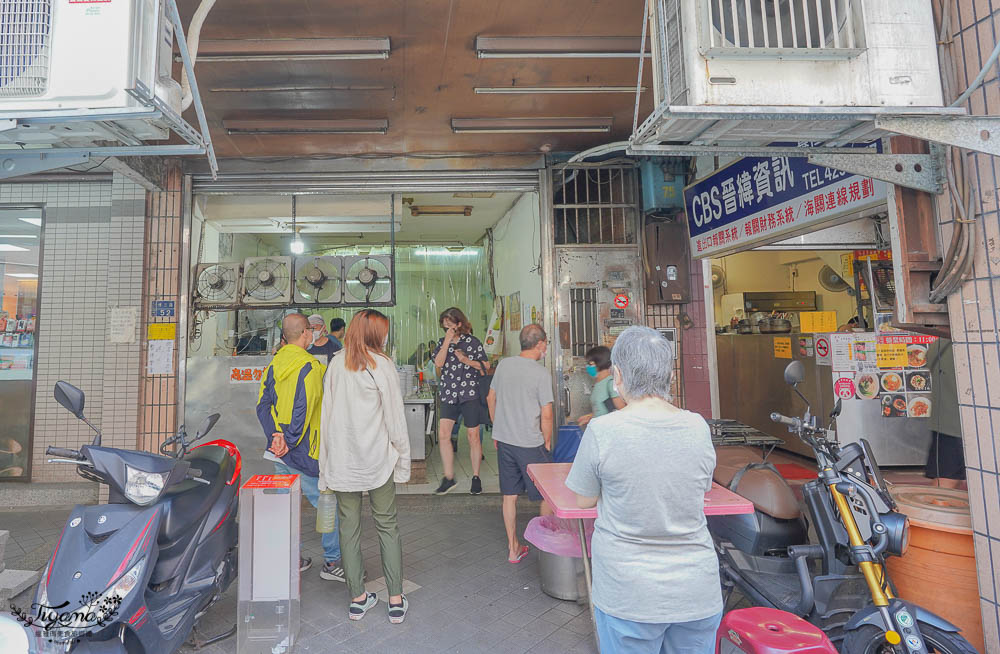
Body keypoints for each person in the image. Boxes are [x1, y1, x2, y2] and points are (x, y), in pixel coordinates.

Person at [566, 325, 723, 653]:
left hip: (629, 593)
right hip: (696, 589)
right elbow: (701, 486)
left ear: (618, 375)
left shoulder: (603, 430)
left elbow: (583, 500)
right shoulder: (697, 426)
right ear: (670, 376)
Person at [319, 309, 411, 624]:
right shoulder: (382, 365)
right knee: (387, 526)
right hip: (377, 462)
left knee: (349, 529)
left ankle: (358, 599)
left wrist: (325, 467)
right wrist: (403, 460)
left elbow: (326, 419)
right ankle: (396, 600)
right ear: (373, 333)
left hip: (343, 463)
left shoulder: (335, 365)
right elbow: (396, 420)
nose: (385, 336)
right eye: (383, 331)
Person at [256, 313, 345, 580]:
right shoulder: (311, 367)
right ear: (306, 332)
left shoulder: (273, 364)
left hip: (279, 453)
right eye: (311, 331)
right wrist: (290, 441)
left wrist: (276, 438)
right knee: (326, 504)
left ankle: (293, 558)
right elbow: (303, 409)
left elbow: (263, 405)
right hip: (306, 452)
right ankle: (332, 562)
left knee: (287, 506)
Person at [486, 324, 553, 564]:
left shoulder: (504, 365)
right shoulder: (541, 374)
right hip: (530, 442)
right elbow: (547, 413)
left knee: (509, 496)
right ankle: (547, 549)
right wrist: (546, 441)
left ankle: (513, 549)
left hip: (504, 441)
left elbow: (490, 398)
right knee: (548, 494)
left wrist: (498, 427)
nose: (546, 347)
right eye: (546, 343)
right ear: (540, 344)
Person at [432, 307, 489, 495]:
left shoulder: (472, 343)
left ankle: (475, 477)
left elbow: (485, 365)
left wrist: (466, 360)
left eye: (450, 323)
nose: (447, 327)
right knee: (443, 435)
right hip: (449, 393)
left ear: (459, 324)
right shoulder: (442, 343)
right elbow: (439, 364)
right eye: (444, 324)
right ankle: (448, 477)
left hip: (469, 393)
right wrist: (447, 341)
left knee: (473, 436)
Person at [925, 338, 965, 489]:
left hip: (944, 422)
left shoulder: (938, 345)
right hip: (961, 424)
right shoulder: (978, 342)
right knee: (947, 480)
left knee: (946, 478)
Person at [577, 345, 626, 430]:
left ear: (600, 363)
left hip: (609, 433)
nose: (587, 367)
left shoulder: (610, 383)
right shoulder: (599, 383)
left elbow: (622, 411)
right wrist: (590, 416)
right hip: (600, 431)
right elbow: (603, 410)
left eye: (591, 364)